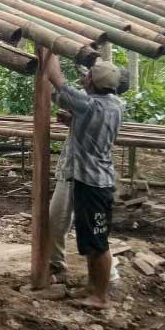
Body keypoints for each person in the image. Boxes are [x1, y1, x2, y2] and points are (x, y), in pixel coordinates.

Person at [46, 59, 124, 310]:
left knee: (98, 242)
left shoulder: (88, 104)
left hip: (92, 183)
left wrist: (50, 49)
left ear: (91, 81)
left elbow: (56, 79)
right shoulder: (115, 104)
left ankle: (100, 296)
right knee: (91, 239)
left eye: (87, 76)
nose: (84, 78)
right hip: (96, 180)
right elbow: (94, 124)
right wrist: (74, 122)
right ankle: (92, 287)